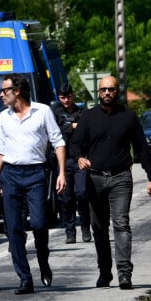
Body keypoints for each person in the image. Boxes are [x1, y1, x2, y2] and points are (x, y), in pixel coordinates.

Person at [69, 75, 151, 290]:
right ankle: (104, 271)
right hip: (95, 178)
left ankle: (124, 273)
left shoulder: (128, 117)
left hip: (121, 178)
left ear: (117, 91)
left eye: (111, 89)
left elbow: (141, 148)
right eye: (103, 90)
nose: (107, 93)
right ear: (98, 93)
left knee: (121, 224)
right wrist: (79, 158)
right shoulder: (88, 118)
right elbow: (74, 144)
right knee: (99, 228)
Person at [0, 73, 67, 295]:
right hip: (10, 175)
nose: (1, 94)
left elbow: (58, 142)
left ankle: (43, 259)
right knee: (13, 229)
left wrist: (62, 173)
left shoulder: (42, 112)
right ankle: (24, 277)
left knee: (40, 224)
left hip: (36, 173)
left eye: (5, 90)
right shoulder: (3, 117)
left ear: (17, 91)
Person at [52, 83, 91, 244]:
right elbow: (56, 132)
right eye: (62, 97)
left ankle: (85, 227)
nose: (66, 100)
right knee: (66, 198)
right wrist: (72, 127)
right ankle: (70, 231)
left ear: (73, 96)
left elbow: (87, 129)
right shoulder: (55, 113)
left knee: (81, 193)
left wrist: (71, 127)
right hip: (63, 160)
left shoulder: (82, 112)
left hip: (80, 159)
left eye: (68, 97)